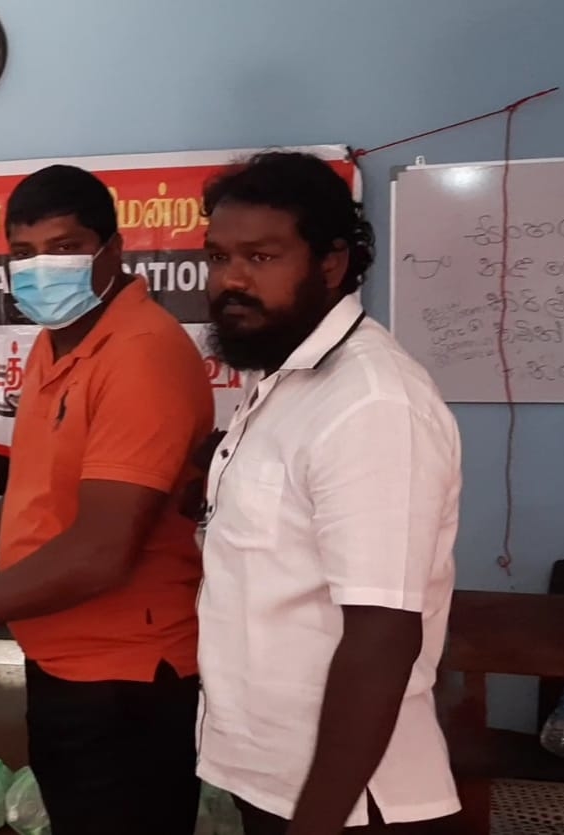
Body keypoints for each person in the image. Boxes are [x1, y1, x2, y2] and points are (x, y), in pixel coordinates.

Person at [0, 164, 216, 835]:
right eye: (23, 253)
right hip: (66, 659)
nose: (41, 268)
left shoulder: (140, 354)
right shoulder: (59, 345)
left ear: (113, 250)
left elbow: (103, 549)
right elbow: (40, 494)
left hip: (125, 678)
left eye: (64, 247)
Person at [196, 151, 462, 835]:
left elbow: (382, 633)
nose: (230, 279)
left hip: (347, 801)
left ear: (332, 263)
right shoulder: (283, 380)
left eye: (261, 257)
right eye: (219, 256)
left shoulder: (370, 402)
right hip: (274, 777)